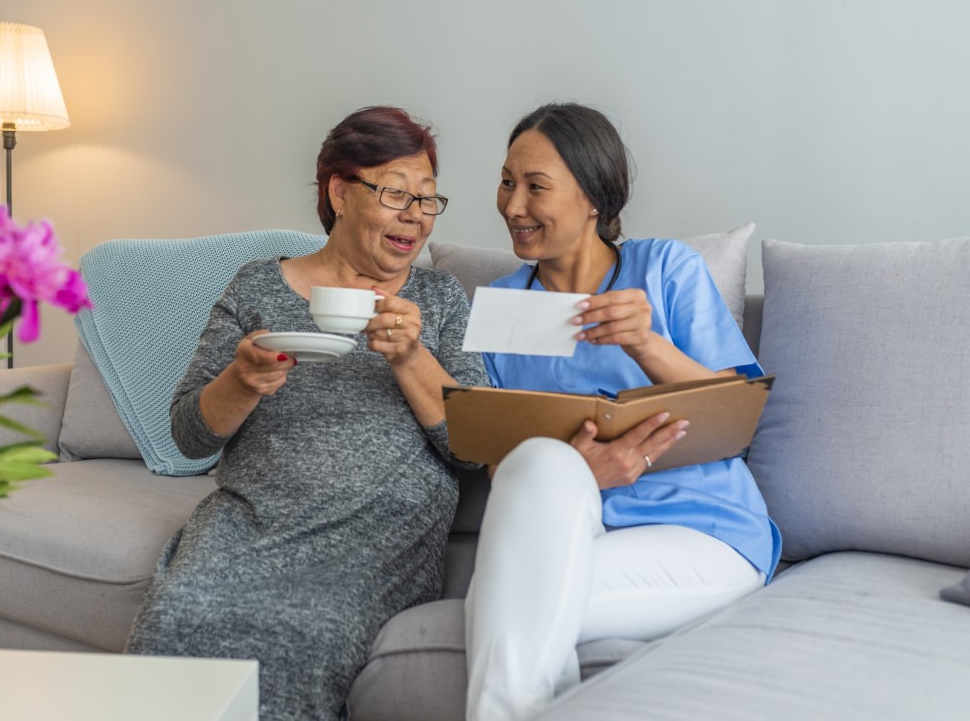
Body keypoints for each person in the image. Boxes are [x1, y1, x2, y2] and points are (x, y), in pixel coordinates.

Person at [126, 105, 488, 720]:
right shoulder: (257, 289)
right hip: (249, 523)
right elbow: (188, 436)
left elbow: (473, 445)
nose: (416, 216)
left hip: (377, 540)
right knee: (176, 616)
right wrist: (241, 380)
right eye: (396, 194)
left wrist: (411, 357)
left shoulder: (438, 300)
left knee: (304, 634)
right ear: (340, 192)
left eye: (428, 200)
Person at [464, 103, 782, 720]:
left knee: (499, 608)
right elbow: (504, 472)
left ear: (593, 199)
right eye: (507, 181)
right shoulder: (501, 308)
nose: (511, 205)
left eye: (536, 187)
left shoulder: (665, 270)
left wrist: (646, 342)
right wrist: (584, 472)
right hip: (571, 528)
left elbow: (738, 417)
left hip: (702, 530)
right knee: (535, 463)